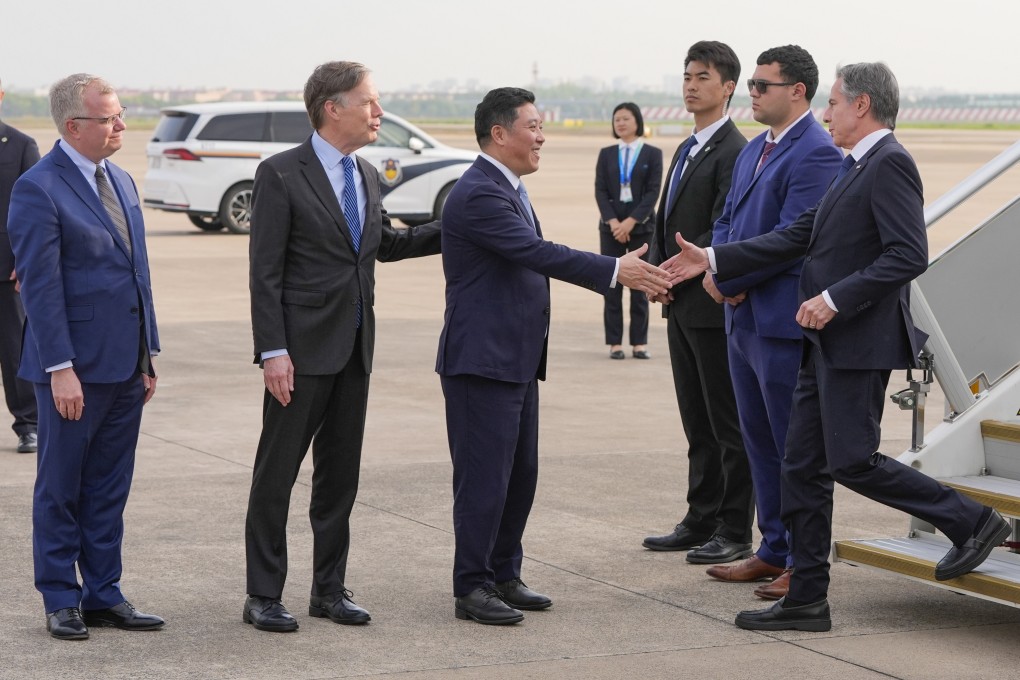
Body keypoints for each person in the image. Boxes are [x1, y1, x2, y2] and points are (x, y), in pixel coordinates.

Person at [665, 62, 1008, 632]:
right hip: (821, 343)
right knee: (800, 464)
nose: (826, 114)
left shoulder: (890, 163)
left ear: (863, 106)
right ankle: (807, 599)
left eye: (834, 104)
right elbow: (800, 233)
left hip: (857, 341)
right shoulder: (854, 165)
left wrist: (834, 298)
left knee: (851, 461)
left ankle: (971, 521)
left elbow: (907, 254)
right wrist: (717, 257)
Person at [437, 87, 673, 625]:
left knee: (519, 475)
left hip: (515, 358)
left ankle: (503, 573)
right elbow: (534, 252)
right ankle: (471, 586)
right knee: (483, 479)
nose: (542, 136)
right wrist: (615, 270)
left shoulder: (508, 186)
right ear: (500, 134)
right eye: (534, 126)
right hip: (481, 361)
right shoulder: (479, 191)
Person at [244, 61, 441, 633]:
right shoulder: (281, 174)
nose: (380, 113)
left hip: (355, 348)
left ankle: (329, 590)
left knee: (339, 479)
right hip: (299, 354)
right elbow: (265, 275)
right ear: (334, 107)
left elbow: (388, 246)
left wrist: (461, 224)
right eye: (371, 103)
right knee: (275, 476)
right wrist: (272, 351)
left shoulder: (365, 175)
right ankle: (263, 594)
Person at [8, 74, 163, 640]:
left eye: (121, 114)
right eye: (110, 118)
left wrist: (147, 357)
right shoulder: (37, 188)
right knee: (61, 485)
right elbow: (42, 291)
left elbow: (137, 276)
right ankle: (59, 596)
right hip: (71, 370)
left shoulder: (120, 179)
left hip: (125, 365)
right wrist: (59, 369)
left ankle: (104, 593)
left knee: (109, 485)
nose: (121, 125)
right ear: (74, 126)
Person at [700, 45, 842, 599]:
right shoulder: (755, 147)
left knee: (794, 449)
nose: (752, 93)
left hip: (780, 323)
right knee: (758, 441)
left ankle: (803, 564)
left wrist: (726, 279)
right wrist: (716, 273)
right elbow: (726, 219)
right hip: (742, 321)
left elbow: (792, 239)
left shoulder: (818, 153)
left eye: (762, 85)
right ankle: (773, 548)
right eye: (753, 85)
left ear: (797, 92)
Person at [642, 40, 753, 567]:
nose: (690, 85)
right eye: (687, 75)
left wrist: (690, 266)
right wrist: (658, 273)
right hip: (679, 302)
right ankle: (700, 516)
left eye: (703, 77)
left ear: (728, 87)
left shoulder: (736, 151)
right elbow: (671, 224)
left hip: (711, 304)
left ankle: (734, 527)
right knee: (696, 420)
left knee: (727, 422)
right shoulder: (688, 148)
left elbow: (725, 226)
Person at [594, 102, 662, 360]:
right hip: (610, 228)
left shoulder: (652, 153)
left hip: (641, 228)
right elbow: (600, 190)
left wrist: (631, 222)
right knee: (611, 285)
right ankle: (614, 343)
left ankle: (639, 343)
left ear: (637, 121)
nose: (620, 123)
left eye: (625, 118)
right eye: (616, 119)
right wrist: (613, 223)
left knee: (639, 287)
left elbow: (653, 192)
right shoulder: (606, 153)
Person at [0, 76, 40, 454]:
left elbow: (37, 212)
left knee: (15, 350)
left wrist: (24, 261)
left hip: (5, 270)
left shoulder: (21, 145)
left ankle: (28, 424)